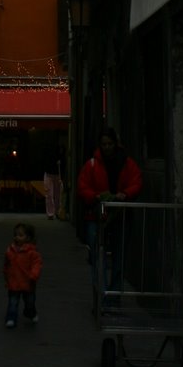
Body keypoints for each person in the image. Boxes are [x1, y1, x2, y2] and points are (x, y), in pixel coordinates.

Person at [77, 126, 143, 308]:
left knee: (119, 256)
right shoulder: (92, 164)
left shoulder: (127, 163)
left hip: (120, 215)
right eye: (104, 144)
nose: (106, 147)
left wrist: (125, 194)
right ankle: (102, 295)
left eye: (109, 143)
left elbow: (136, 181)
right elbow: (83, 186)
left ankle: (112, 297)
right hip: (98, 215)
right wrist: (95, 196)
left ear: (115, 144)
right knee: (98, 256)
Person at [3, 221, 42, 327]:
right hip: (14, 281)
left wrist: (34, 275)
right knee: (13, 302)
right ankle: (11, 317)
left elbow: (37, 264)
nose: (17, 237)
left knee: (29, 302)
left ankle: (31, 312)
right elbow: (7, 265)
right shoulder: (10, 250)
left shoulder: (32, 253)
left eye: (20, 235)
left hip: (27, 281)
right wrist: (6, 276)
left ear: (28, 237)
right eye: (15, 235)